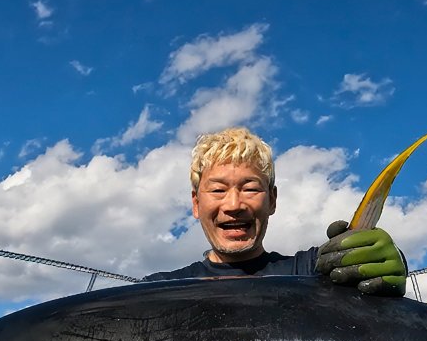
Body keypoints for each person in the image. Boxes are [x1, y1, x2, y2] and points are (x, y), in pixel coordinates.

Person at [143, 126, 409, 296]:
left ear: (272, 200)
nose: (234, 205)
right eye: (217, 190)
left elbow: (367, 268)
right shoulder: (152, 291)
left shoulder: (313, 270)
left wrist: (388, 259)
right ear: (196, 204)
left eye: (250, 189)